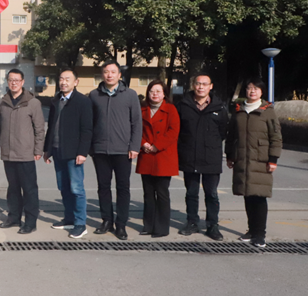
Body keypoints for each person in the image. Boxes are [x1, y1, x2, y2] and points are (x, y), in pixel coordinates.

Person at [225, 78, 283, 248]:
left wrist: (273, 159)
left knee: (259, 197)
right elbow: (231, 135)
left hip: (261, 161)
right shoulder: (239, 110)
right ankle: (251, 230)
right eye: (250, 88)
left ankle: (260, 234)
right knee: (247, 195)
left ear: (261, 92)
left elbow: (276, 137)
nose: (252, 91)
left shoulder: (268, 112)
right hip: (242, 160)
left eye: (256, 89)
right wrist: (230, 155)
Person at [89, 61, 142, 240]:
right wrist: (91, 147)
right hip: (100, 150)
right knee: (103, 187)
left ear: (120, 75)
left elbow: (136, 122)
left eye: (113, 72)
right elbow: (89, 123)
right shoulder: (94, 95)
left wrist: (134, 146)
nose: (109, 75)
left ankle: (121, 224)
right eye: (106, 72)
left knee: (123, 188)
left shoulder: (130, 95)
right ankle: (106, 220)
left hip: (123, 150)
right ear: (102, 74)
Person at [0, 69, 45, 234]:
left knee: (29, 189)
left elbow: (39, 129)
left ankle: (30, 222)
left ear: (22, 82)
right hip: (8, 153)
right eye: (11, 80)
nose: (14, 83)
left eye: (17, 80)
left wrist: (38, 150)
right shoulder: (2, 103)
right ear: (7, 82)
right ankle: (14, 218)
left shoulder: (32, 103)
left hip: (25, 153)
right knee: (13, 188)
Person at [176, 72, 229, 241]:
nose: (201, 87)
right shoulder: (183, 105)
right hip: (189, 157)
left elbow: (223, 132)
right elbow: (178, 131)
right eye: (198, 83)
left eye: (205, 84)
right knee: (191, 193)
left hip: (211, 158)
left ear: (210, 87)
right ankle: (192, 222)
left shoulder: (219, 108)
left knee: (211, 193)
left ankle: (212, 225)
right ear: (193, 85)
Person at [43, 68, 93, 239]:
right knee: (63, 187)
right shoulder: (56, 100)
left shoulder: (83, 101)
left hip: (74, 153)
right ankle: (69, 218)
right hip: (58, 150)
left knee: (76, 188)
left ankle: (80, 224)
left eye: (67, 79)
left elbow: (87, 130)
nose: (63, 82)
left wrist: (83, 152)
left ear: (75, 82)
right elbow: (51, 126)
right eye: (61, 79)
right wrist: (47, 149)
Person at [136, 80, 180, 238]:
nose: (155, 94)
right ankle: (148, 225)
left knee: (162, 193)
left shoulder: (171, 109)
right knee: (148, 193)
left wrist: (156, 146)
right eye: (151, 91)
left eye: (158, 91)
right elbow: (136, 129)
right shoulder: (142, 109)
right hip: (146, 154)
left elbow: (173, 132)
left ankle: (161, 227)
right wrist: (143, 144)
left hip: (163, 156)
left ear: (164, 94)